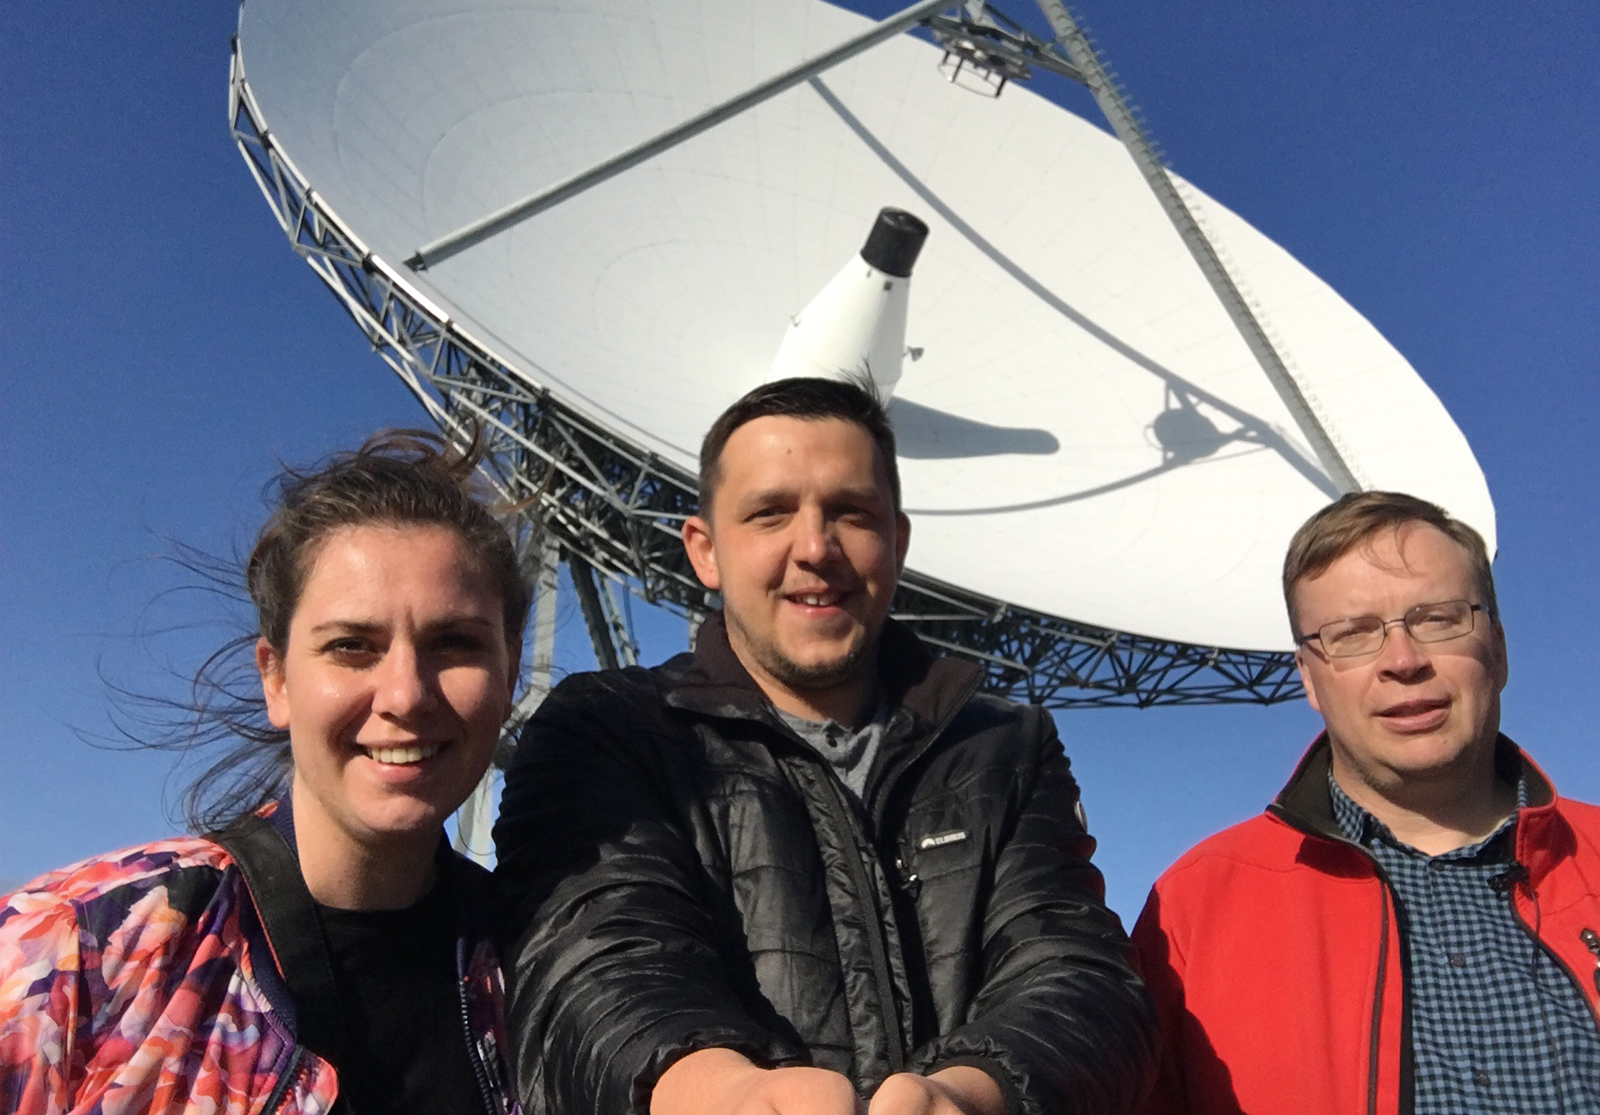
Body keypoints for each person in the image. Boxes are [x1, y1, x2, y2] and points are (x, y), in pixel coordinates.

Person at [494, 377, 1155, 1115]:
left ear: (898, 542)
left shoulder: (1004, 746)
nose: (815, 548)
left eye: (851, 512)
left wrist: (971, 1096)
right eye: (770, 513)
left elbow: (1077, 972)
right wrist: (717, 1092)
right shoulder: (606, 729)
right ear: (705, 551)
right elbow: (589, 960)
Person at [0, 431, 528, 1115]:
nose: (405, 695)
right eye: (351, 646)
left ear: (509, 675)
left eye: (455, 643)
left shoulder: (546, 974)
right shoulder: (73, 954)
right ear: (276, 678)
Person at [1132, 491, 1600, 1114]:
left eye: (1439, 619)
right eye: (1352, 634)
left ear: (1499, 648)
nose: (1403, 661)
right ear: (1308, 677)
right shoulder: (1191, 910)